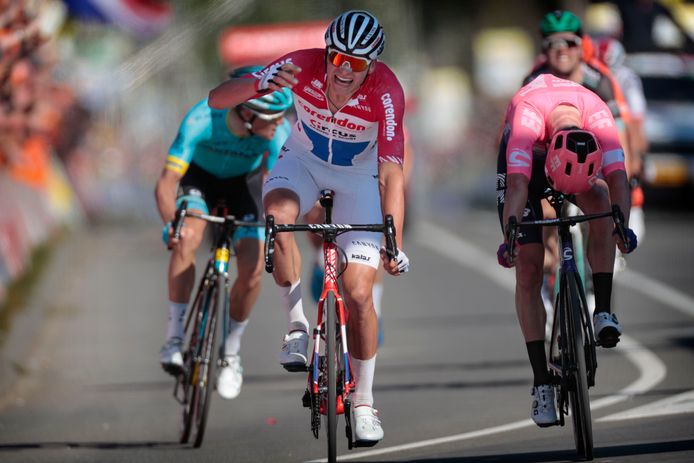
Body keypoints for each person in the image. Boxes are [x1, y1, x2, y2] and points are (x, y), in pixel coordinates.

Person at [208, 10, 410, 445]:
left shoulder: (387, 91)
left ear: (371, 65)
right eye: (336, 58)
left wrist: (393, 237)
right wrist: (262, 84)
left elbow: (392, 172)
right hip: (302, 163)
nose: (342, 70)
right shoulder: (301, 64)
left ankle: (364, 402)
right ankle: (298, 325)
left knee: (359, 293)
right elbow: (217, 100)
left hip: (358, 180)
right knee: (279, 217)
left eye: (355, 64)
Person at [495, 73, 638, 427]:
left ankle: (603, 310)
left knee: (603, 201)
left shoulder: (598, 116)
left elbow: (619, 178)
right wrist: (509, 238)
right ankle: (542, 381)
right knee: (527, 266)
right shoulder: (526, 117)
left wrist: (623, 226)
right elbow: (516, 186)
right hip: (529, 164)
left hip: (577, 160)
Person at [155, 66, 292, 400]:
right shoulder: (202, 118)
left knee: (254, 265)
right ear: (246, 113)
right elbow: (167, 182)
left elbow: (275, 187)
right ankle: (174, 337)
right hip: (198, 179)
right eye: (272, 117)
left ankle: (231, 353)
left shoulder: (278, 133)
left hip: (244, 187)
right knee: (188, 236)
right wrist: (171, 224)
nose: (279, 124)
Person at [524, 10, 633, 318]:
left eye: (569, 43)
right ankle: (551, 273)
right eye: (552, 44)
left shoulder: (598, 80)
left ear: (580, 45)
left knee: (601, 207)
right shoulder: (533, 80)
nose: (561, 51)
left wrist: (628, 176)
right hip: (550, 162)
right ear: (544, 49)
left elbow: (620, 139)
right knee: (545, 208)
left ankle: (598, 296)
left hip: (593, 163)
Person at [596, 36, 648, 244]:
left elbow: (635, 121)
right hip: (599, 128)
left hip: (620, 129)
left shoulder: (627, 78)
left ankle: (629, 209)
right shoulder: (595, 75)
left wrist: (636, 157)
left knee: (624, 174)